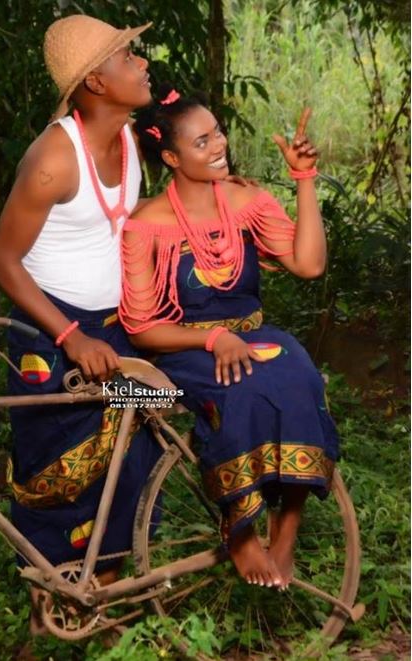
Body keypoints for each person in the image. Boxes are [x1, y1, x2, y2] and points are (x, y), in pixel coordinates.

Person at [118, 85, 339, 590]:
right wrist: (214, 338)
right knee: (238, 391)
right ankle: (240, 532)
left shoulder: (247, 200)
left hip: (255, 335)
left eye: (217, 132)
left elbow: (309, 264)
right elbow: (141, 326)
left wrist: (304, 179)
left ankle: (286, 525)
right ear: (171, 157)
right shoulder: (146, 224)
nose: (217, 145)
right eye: (201, 142)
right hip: (186, 348)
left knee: (300, 377)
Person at [0, 14, 162, 628]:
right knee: (53, 470)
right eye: (127, 57)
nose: (142, 63)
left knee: (130, 456)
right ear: (96, 81)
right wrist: (69, 334)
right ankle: (47, 607)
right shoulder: (51, 160)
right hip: (53, 336)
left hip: (115, 328)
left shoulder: (130, 138)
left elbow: (124, 220)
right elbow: (3, 260)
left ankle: (103, 594)